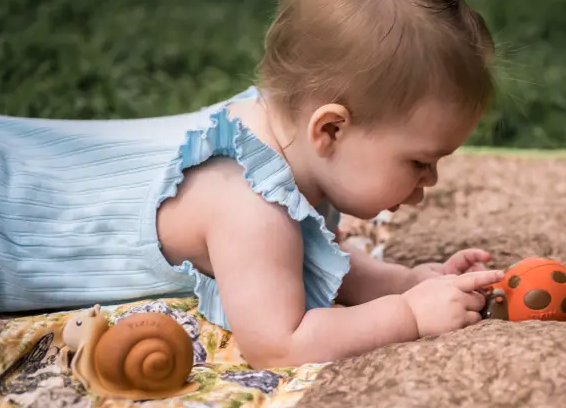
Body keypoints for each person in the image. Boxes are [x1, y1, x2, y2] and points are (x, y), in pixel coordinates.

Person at [0, 0, 504, 368]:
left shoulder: (283, 137)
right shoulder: (251, 207)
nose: (431, 180)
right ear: (329, 129)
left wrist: (405, 280)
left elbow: (306, 260)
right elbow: (279, 343)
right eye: (419, 162)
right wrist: (408, 314)